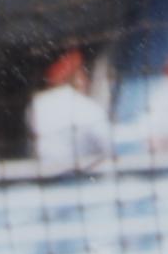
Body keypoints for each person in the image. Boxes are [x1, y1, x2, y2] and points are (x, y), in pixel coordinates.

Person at [27, 45, 112, 175]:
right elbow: (109, 147)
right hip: (80, 179)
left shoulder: (35, 104)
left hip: (43, 178)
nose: (86, 80)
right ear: (77, 77)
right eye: (82, 73)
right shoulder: (87, 107)